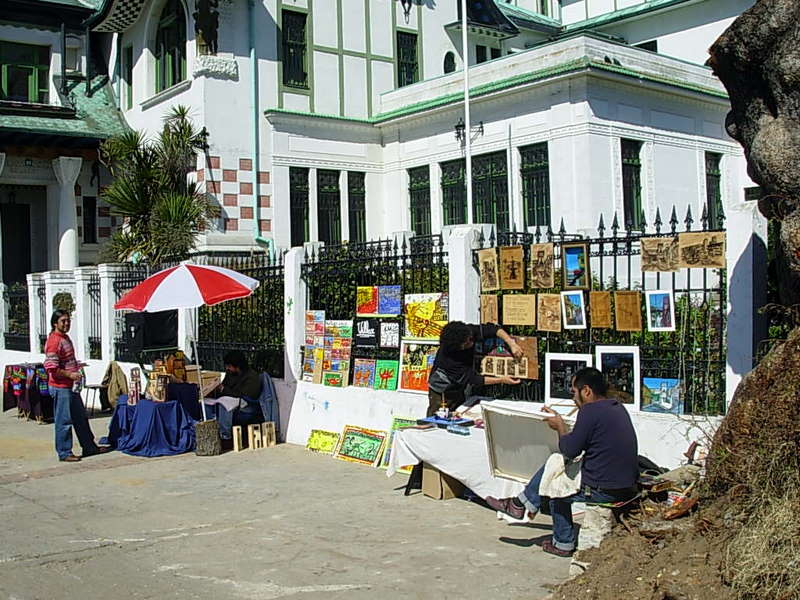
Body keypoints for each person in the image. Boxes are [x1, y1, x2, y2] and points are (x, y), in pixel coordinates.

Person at [485, 367, 639, 557]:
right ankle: (520, 503)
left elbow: (570, 450)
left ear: (586, 391)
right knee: (556, 464)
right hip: (624, 482)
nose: (573, 398)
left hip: (603, 488)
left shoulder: (590, 412)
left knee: (555, 488)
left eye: (574, 392)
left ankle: (562, 542)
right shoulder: (616, 407)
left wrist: (560, 427)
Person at [44, 310, 109, 462]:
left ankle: (89, 447)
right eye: (63, 321)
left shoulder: (65, 338)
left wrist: (76, 366)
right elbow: (51, 368)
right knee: (64, 421)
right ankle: (64, 452)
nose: (67, 324)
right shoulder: (54, 341)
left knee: (80, 418)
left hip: (71, 387)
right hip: (61, 387)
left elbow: (65, 361)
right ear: (55, 323)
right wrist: (70, 374)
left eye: (68, 321)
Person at [427, 321, 523, 417]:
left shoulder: (467, 331)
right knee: (439, 417)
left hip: (459, 387)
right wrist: (501, 380)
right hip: (442, 389)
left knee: (458, 412)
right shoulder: (449, 360)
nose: (471, 343)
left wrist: (511, 343)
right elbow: (474, 379)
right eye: (466, 344)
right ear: (458, 348)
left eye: (470, 339)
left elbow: (493, 329)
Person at [204, 350, 262, 442]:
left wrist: (224, 390)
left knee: (224, 406)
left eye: (229, 366)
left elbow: (245, 395)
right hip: (231, 401)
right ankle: (210, 433)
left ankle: (225, 437)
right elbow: (224, 387)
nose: (227, 368)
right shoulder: (230, 374)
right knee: (206, 403)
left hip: (247, 405)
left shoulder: (252, 377)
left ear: (238, 366)